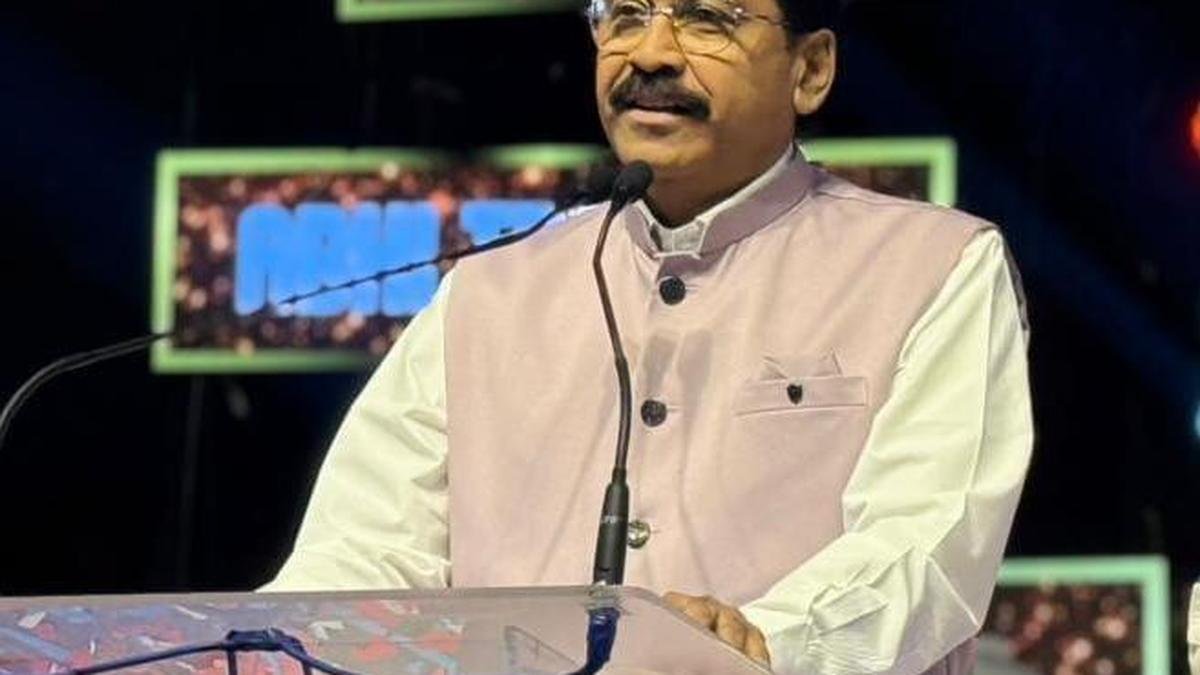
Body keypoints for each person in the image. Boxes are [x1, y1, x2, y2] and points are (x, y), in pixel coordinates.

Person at [264, 1, 1034, 672]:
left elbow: (928, 544)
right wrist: (258, 647)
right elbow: (361, 556)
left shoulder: (934, 266)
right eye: (625, 16)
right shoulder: (487, 292)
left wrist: (760, 641)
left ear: (810, 70)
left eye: (707, 19)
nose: (652, 53)